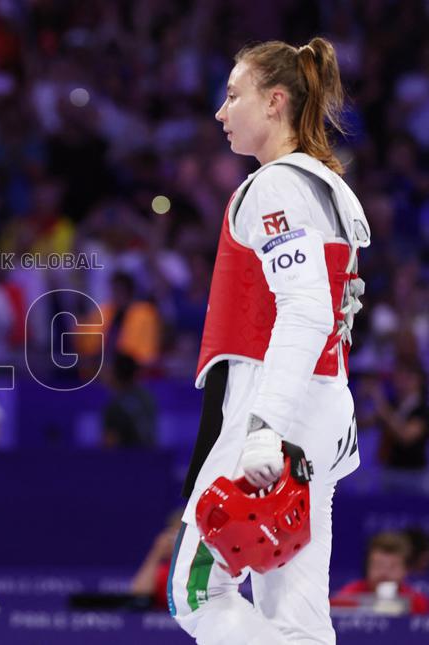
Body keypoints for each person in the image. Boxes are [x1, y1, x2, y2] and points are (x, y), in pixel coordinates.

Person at [168, 38, 370, 644]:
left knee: (196, 592)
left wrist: (264, 428)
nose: (220, 112)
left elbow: (307, 310)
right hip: (322, 402)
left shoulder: (277, 186)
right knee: (298, 619)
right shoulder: (330, 185)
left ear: (275, 102)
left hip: (275, 407)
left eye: (234, 96)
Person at [331, 531, 429, 615]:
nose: (384, 573)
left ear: (405, 570)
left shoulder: (417, 603)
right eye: (378, 566)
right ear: (367, 568)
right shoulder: (347, 598)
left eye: (393, 567)